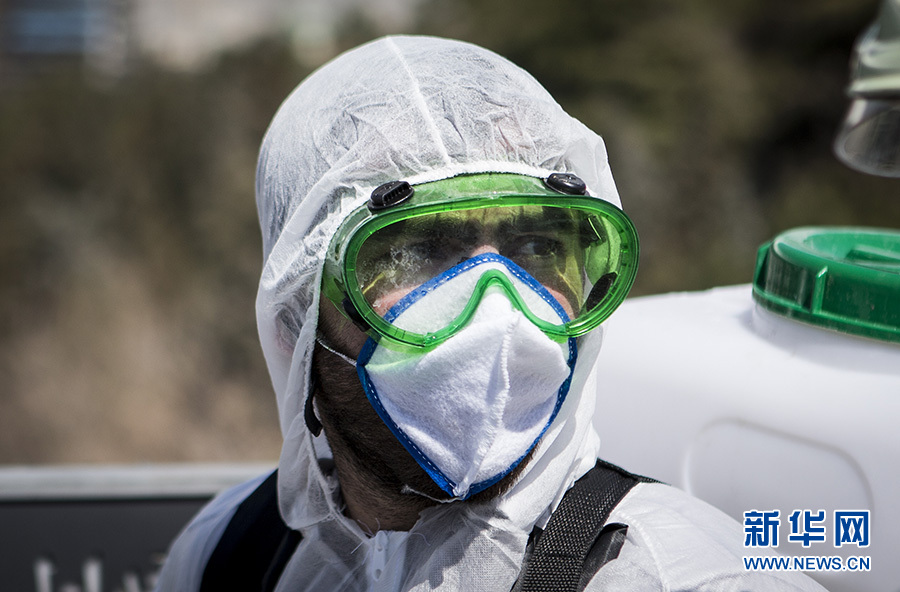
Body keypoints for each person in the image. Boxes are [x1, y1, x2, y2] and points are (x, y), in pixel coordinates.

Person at [155, 36, 829, 591]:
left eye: (538, 247)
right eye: (416, 250)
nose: (500, 312)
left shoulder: (686, 578)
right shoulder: (227, 558)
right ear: (294, 324)